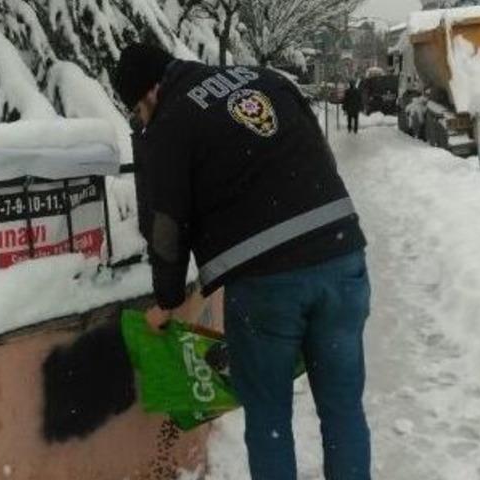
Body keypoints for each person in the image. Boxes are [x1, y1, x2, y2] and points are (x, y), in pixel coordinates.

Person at [113, 44, 372, 480]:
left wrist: (168, 300)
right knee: (344, 408)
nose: (142, 120)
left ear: (152, 91)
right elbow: (320, 156)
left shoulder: (171, 122)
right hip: (340, 256)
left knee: (269, 418)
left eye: (139, 109)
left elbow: (167, 225)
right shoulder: (268, 80)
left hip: (268, 285)